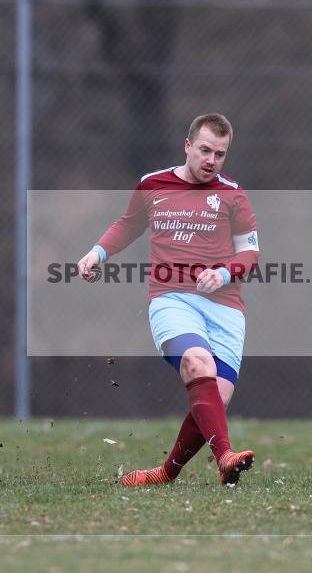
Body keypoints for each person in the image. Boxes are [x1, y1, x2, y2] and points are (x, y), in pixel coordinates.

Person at [77, 113, 261, 486]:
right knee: (197, 363)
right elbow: (128, 223)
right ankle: (224, 456)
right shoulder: (153, 184)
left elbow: (250, 253)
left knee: (215, 402)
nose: (211, 160)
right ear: (188, 146)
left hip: (226, 308)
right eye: (205, 150)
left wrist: (224, 273)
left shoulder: (232, 194)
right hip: (171, 298)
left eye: (220, 154)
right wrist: (97, 252)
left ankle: (165, 474)